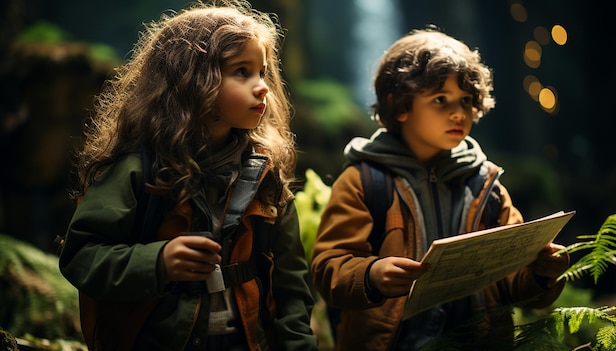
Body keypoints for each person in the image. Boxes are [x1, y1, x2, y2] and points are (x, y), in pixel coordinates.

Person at [58, 1, 318, 350]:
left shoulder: (265, 174)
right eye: (242, 72)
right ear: (191, 79)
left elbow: (291, 287)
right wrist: (159, 262)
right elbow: (81, 256)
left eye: (262, 71)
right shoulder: (139, 168)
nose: (262, 87)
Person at [310, 27, 570, 350]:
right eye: (440, 100)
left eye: (466, 100)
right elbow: (328, 267)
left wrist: (542, 274)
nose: (458, 112)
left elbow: (510, 280)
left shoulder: (486, 184)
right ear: (399, 104)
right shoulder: (364, 180)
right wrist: (372, 274)